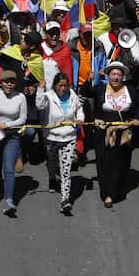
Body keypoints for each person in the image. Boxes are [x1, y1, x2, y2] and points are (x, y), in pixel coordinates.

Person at [93, 61, 139, 207]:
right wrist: (90, 79)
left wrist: (137, 119)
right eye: (113, 74)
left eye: (119, 75)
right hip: (104, 131)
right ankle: (107, 194)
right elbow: (86, 95)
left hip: (123, 131)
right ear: (108, 76)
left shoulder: (130, 90)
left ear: (123, 77)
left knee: (121, 162)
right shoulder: (100, 89)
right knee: (104, 162)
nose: (116, 77)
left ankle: (118, 189)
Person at [36, 71, 84, 214]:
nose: (63, 89)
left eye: (65, 86)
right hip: (52, 136)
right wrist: (40, 89)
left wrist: (80, 118)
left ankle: (65, 199)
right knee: (52, 162)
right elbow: (40, 105)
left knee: (66, 169)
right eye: (60, 86)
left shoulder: (73, 95)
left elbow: (79, 110)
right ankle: (51, 178)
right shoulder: (48, 96)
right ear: (55, 86)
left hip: (68, 137)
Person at [0, 69, 29, 216]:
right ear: (1, 83)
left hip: (12, 135)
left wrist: (9, 125)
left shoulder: (21, 97)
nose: (9, 85)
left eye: (12, 82)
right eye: (6, 82)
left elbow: (22, 119)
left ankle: (9, 200)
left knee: (9, 167)